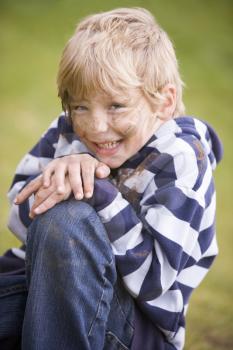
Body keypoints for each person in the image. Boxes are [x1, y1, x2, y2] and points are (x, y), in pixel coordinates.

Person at [3, 7, 223, 350]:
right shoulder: (66, 134)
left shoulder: (181, 159)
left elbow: (154, 282)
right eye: (79, 107)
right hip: (44, 294)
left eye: (116, 106)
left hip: (133, 328)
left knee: (69, 217)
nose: (95, 126)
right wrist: (60, 178)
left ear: (164, 102)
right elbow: (17, 217)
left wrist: (99, 194)